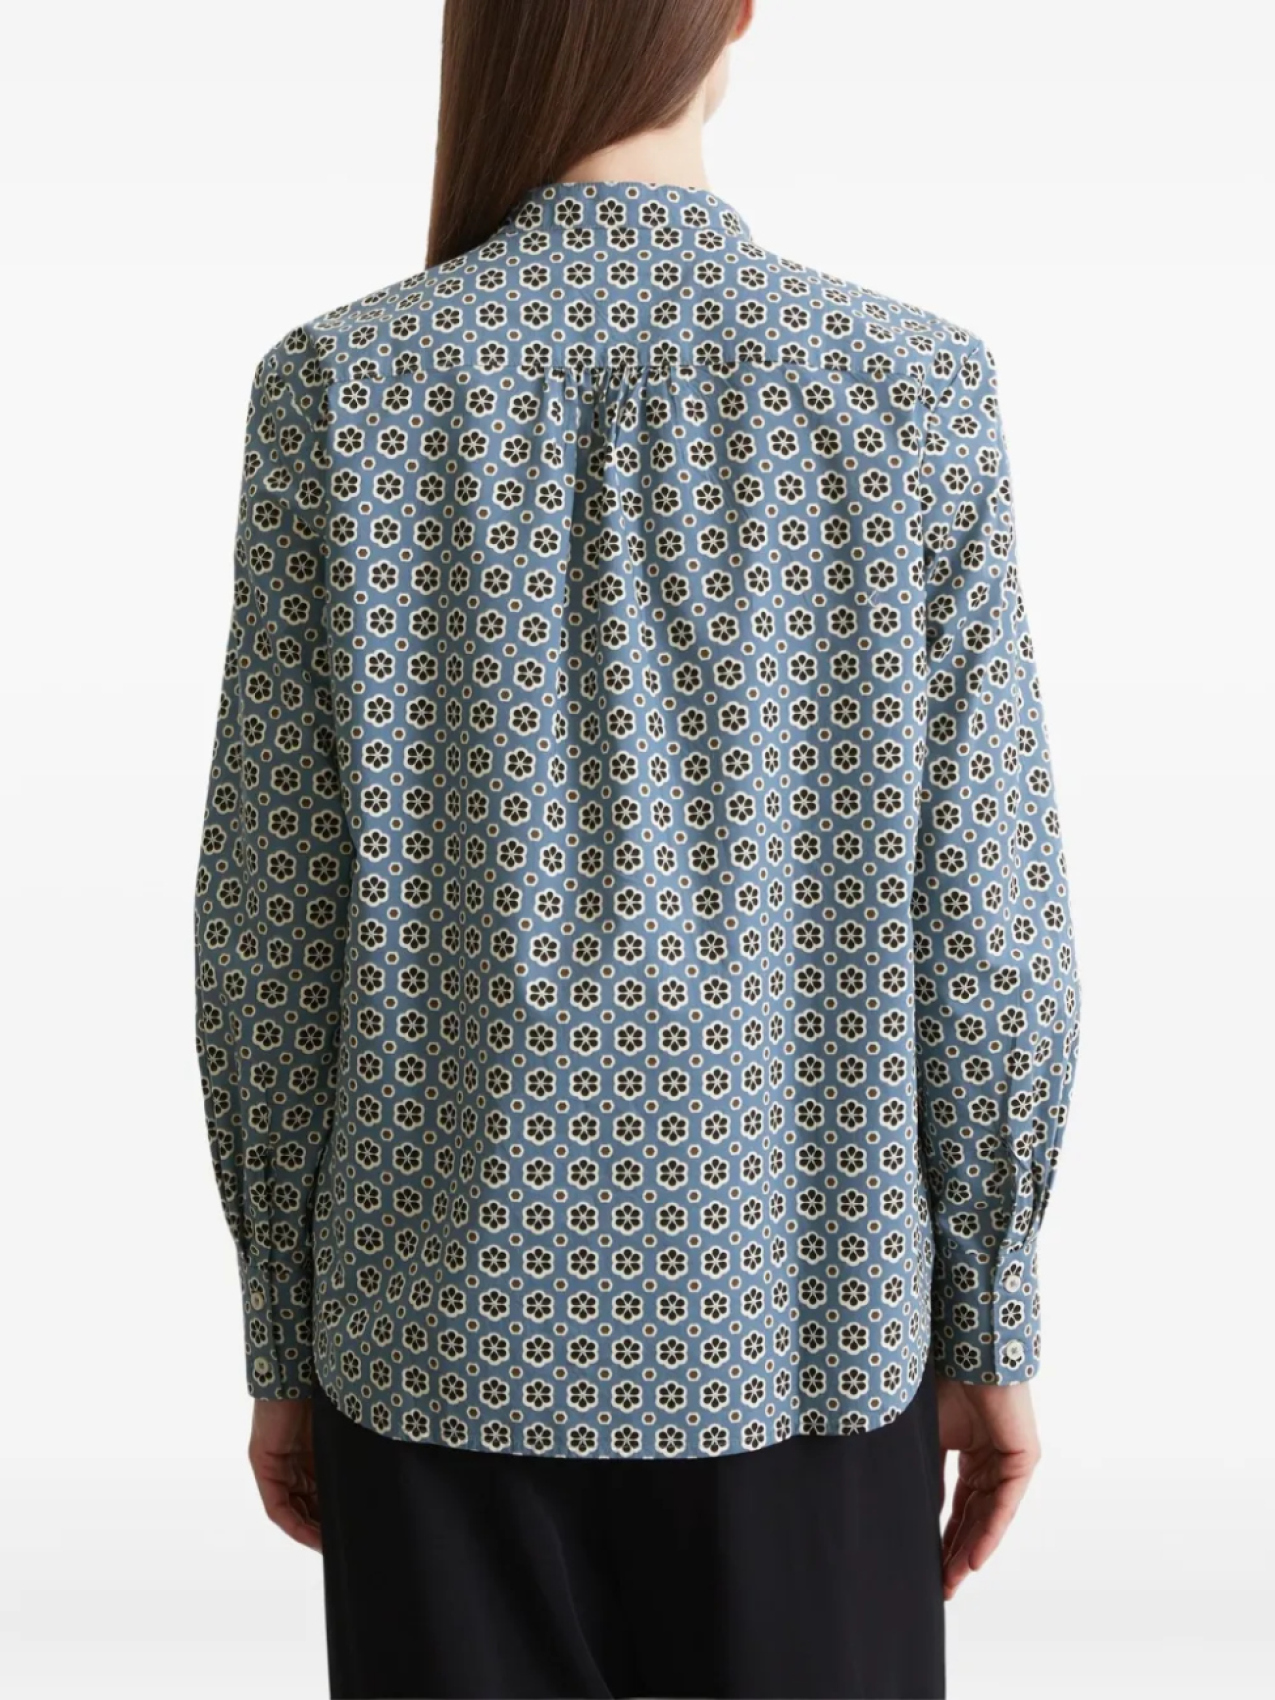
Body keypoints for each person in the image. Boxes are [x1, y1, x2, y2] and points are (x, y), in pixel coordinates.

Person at [191, 2, 1083, 1695]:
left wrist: (281, 1332)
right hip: (812, 1331)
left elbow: (269, 924)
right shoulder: (910, 391)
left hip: (432, 1343)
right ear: (732, 11)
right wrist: (991, 1309)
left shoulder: (340, 390)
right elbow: (990, 925)